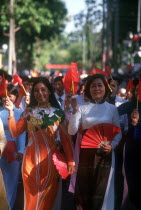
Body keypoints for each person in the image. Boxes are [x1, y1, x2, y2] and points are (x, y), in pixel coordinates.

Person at [5, 77, 75, 210]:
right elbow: (14, 133)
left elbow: (66, 140)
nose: (40, 93)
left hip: (50, 162)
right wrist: (10, 112)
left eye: (43, 90)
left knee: (47, 199)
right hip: (29, 162)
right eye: (36, 90)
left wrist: (71, 161)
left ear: (49, 91)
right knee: (31, 199)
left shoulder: (58, 113)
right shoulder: (28, 112)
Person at [68, 74, 122, 210]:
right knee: (86, 191)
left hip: (106, 154)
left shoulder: (112, 108)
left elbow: (118, 132)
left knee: (103, 192)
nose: (96, 88)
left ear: (105, 88)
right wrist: (74, 112)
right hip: (86, 155)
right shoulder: (81, 107)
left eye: (100, 85)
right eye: (93, 86)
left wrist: (112, 146)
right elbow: (72, 131)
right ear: (88, 89)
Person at [0, 84, 26, 210]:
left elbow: (21, 134)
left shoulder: (20, 113)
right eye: (4, 95)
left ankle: (9, 207)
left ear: (15, 97)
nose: (6, 98)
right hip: (0, 150)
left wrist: (21, 150)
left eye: (9, 95)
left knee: (11, 183)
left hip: (13, 152)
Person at [118, 82, 141, 210]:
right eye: (137, 90)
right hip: (132, 150)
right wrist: (133, 124)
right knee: (131, 182)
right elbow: (113, 113)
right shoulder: (129, 106)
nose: (139, 92)